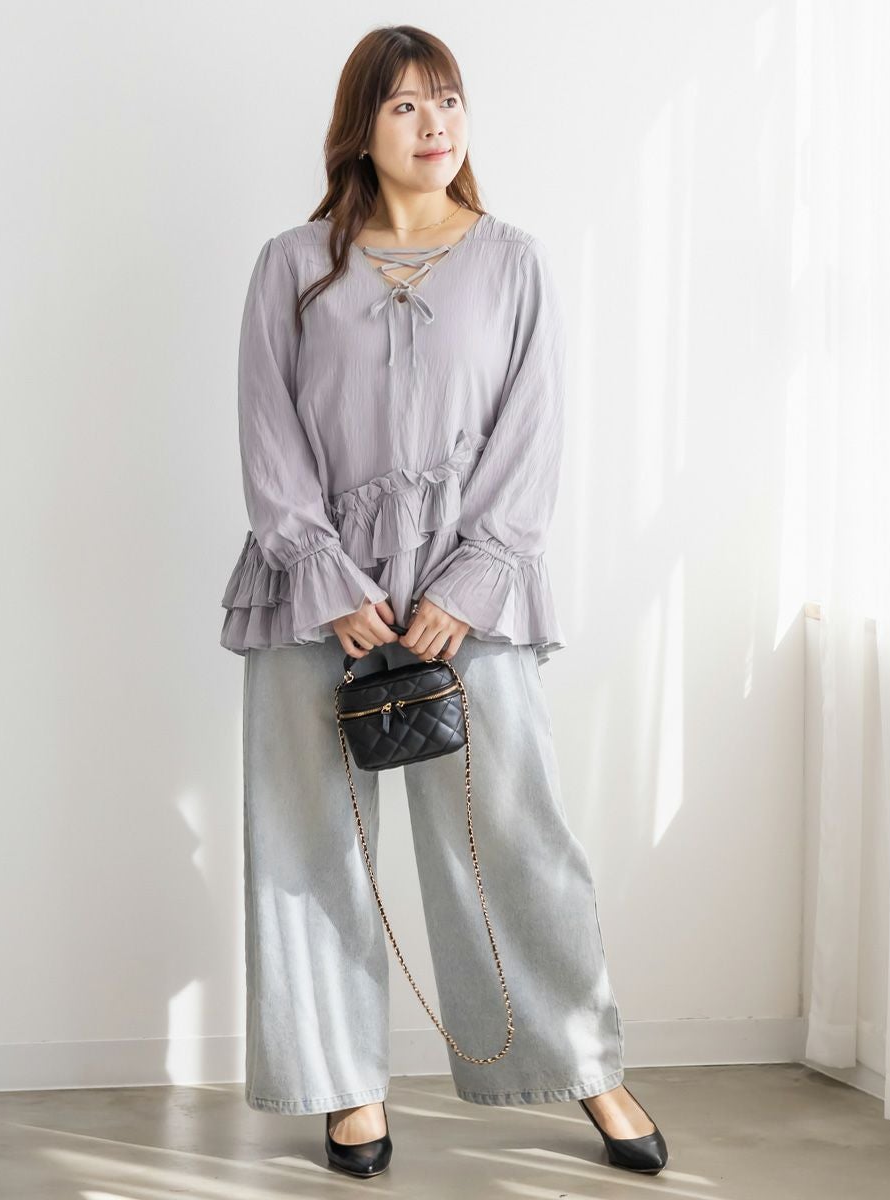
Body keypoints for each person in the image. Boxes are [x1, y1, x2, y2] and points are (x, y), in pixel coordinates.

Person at [218, 23, 668, 1181]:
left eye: (449, 101)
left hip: (469, 599)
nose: (435, 126)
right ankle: (344, 1087)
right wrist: (324, 578)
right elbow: (268, 432)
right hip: (313, 599)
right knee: (311, 846)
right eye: (406, 106)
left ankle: (581, 1064)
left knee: (510, 837)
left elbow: (532, 438)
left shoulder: (512, 262)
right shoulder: (291, 264)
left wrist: (467, 586)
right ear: (360, 127)